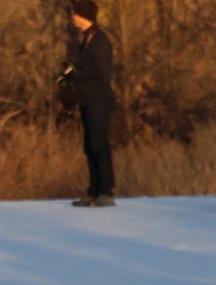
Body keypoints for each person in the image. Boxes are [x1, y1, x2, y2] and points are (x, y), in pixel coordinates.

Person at [66, 0, 116, 208]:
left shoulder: (100, 41)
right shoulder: (86, 39)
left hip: (99, 100)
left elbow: (102, 73)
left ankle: (106, 191)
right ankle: (94, 190)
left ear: (84, 15)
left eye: (75, 14)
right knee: (89, 146)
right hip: (88, 99)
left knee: (99, 144)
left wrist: (77, 75)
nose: (72, 17)